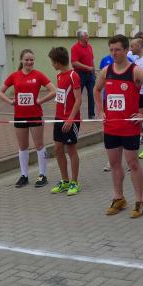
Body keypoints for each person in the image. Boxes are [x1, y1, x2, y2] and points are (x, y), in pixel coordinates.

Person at [94, 34, 143, 218]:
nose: (114, 53)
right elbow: (96, 89)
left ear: (126, 50)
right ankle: (118, 198)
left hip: (129, 127)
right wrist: (100, 110)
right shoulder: (106, 70)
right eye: (111, 50)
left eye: (117, 49)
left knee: (132, 163)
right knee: (114, 164)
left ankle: (139, 201)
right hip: (111, 126)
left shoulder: (135, 71)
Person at [0, 49, 57, 188]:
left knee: (39, 145)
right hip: (19, 116)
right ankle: (24, 175)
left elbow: (54, 90)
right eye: (27, 60)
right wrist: (10, 102)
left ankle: (42, 175)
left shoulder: (38, 75)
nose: (29, 62)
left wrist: (40, 101)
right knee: (23, 146)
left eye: (31, 60)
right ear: (21, 60)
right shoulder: (14, 76)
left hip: (35, 115)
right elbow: (0, 92)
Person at [47, 47, 82, 195]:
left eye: (52, 62)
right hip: (59, 118)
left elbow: (78, 100)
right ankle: (65, 180)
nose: (51, 64)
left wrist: (70, 119)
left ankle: (74, 182)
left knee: (71, 149)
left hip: (71, 119)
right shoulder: (59, 75)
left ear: (57, 62)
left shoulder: (74, 75)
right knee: (58, 149)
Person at [71, 31, 96, 119]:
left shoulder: (89, 46)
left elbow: (91, 60)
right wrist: (87, 67)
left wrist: (93, 71)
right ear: (81, 38)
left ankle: (91, 114)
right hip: (79, 75)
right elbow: (74, 62)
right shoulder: (75, 48)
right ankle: (75, 114)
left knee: (92, 94)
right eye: (86, 36)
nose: (88, 37)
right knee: (77, 96)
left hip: (90, 75)